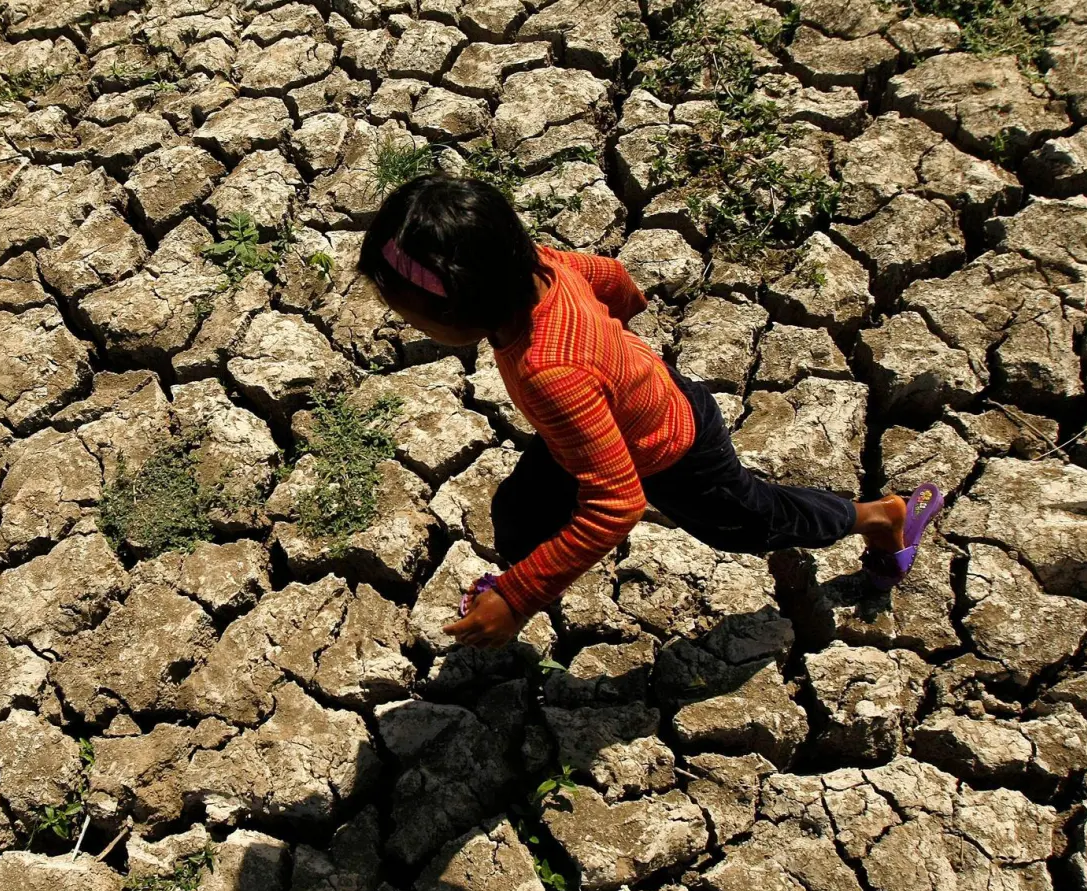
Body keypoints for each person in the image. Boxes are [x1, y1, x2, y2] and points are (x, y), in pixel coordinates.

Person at [357, 174, 942, 649]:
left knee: (754, 522)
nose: (407, 325)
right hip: (606, 422)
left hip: (674, 451)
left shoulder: (549, 373)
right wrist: (616, 349)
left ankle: (878, 517)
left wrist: (520, 597)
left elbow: (616, 505)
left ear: (465, 310)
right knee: (520, 512)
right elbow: (613, 278)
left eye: (412, 316)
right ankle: (520, 578)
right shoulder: (538, 266)